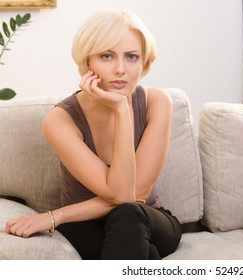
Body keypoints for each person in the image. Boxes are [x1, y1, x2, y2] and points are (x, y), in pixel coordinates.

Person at [5, 10, 182, 260]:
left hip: (146, 218)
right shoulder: (61, 120)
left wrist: (56, 216)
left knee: (129, 214)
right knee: (143, 251)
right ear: (88, 62)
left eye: (131, 57)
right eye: (107, 56)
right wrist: (121, 108)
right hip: (86, 226)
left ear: (144, 63)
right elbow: (120, 195)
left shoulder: (157, 102)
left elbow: (132, 196)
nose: (120, 69)